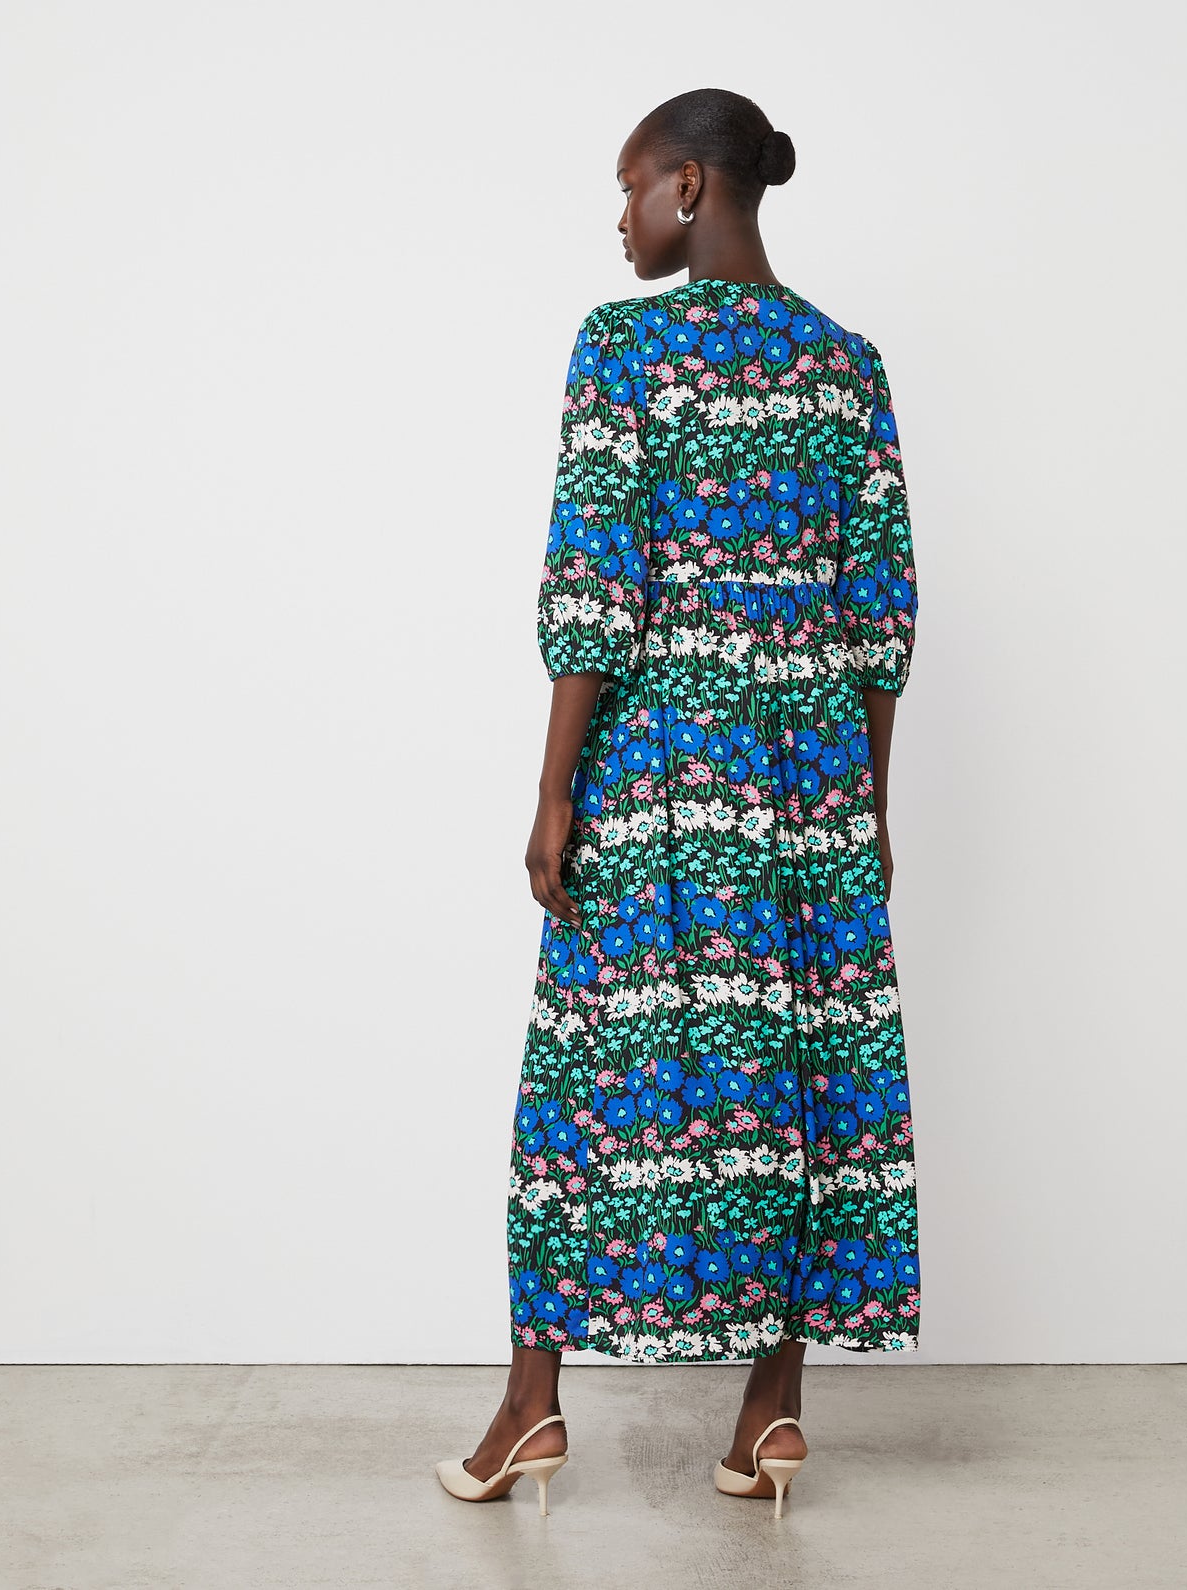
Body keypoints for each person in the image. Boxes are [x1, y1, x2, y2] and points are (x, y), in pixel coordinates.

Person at [436, 87, 920, 1519]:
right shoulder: (846, 364)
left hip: (657, 770)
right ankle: (771, 1410)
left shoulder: (622, 345)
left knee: (585, 1073)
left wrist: (550, 792)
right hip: (810, 776)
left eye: (631, 184)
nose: (621, 214)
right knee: (798, 1078)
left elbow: (596, 582)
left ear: (693, 186)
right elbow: (880, 610)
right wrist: (864, 812)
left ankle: (531, 1406)